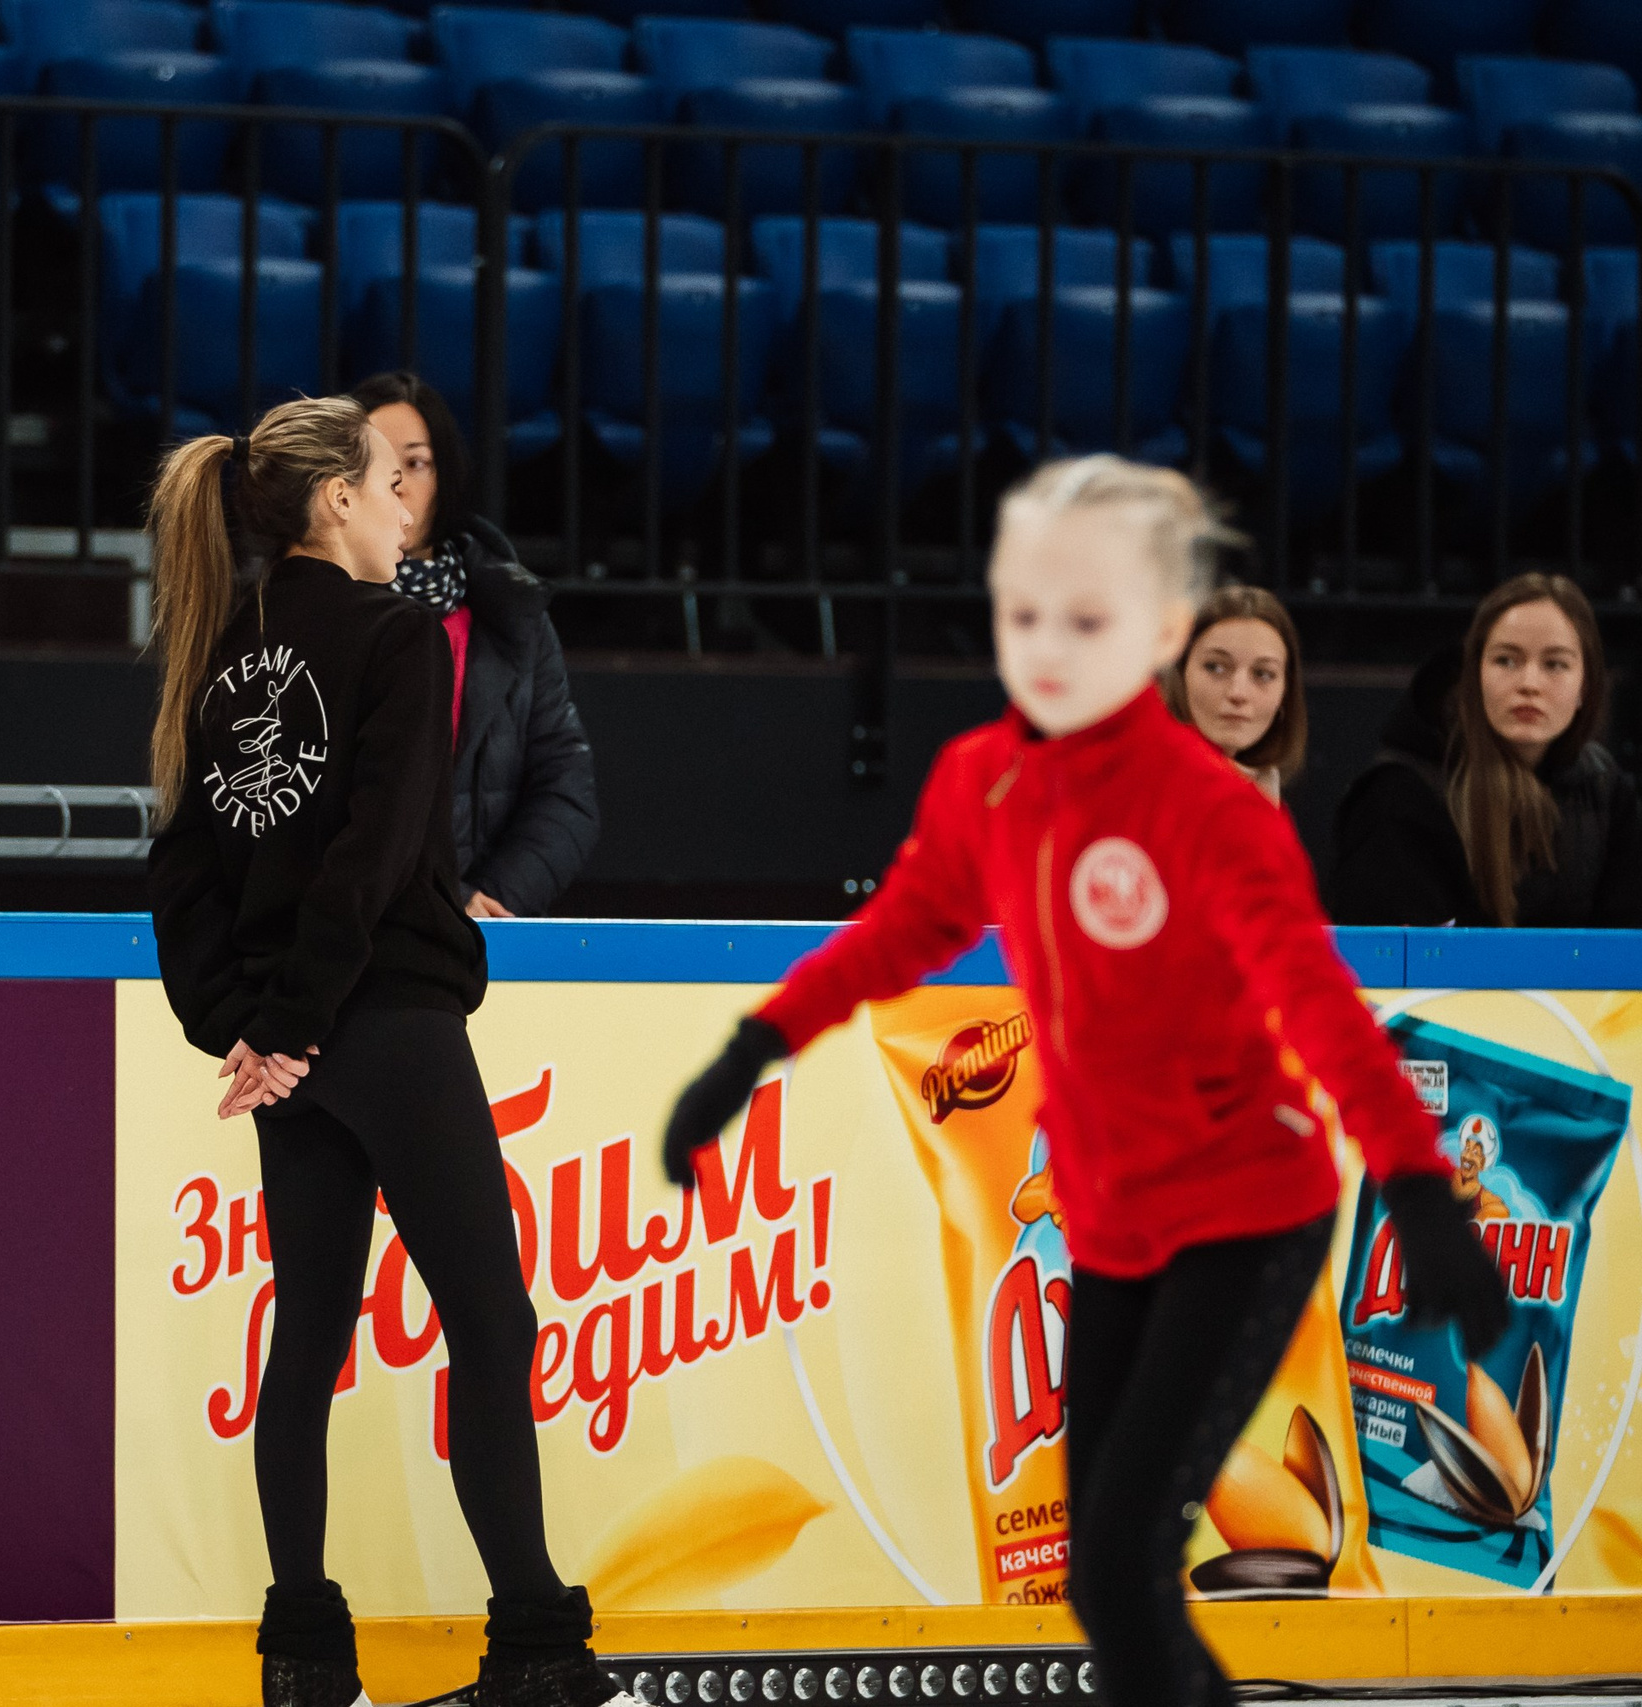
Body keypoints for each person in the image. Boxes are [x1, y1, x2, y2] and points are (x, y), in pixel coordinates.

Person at [658, 456, 1506, 1707]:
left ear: (1158, 631)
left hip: (1244, 1218)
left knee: (1114, 1562)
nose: (1048, 644)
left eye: (1088, 617)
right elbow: (899, 933)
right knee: (1106, 1577)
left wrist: (1419, 1188)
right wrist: (754, 1047)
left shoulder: (1208, 811)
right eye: (1025, 612)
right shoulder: (983, 781)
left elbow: (1318, 1007)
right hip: (1113, 1228)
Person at [144, 397, 630, 1707]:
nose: (404, 501)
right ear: (334, 502)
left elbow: (182, 869)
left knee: (307, 1332)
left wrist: (243, 1028)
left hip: (292, 1038)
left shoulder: (221, 647)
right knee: (491, 1316)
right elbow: (377, 842)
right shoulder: (400, 636)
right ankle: (534, 1645)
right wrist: (291, 1025)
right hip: (388, 1018)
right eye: (383, 477)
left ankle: (303, 1653)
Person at [353, 371, 599, 918]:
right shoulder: (315, 614)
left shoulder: (512, 613)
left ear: (446, 476)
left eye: (415, 463)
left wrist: (492, 898)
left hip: (479, 935)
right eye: (375, 463)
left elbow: (566, 789)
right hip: (353, 926)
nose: (396, 483)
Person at [1326, 572, 1642, 928]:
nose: (1529, 684)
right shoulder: (1399, 794)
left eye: (1555, 664)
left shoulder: (1605, 787)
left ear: (1585, 687)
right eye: (1507, 660)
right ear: (1474, 675)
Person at [1162, 584, 1305, 804]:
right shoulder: (1141, 783)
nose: (1238, 693)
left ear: (1285, 692)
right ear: (1180, 674)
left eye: (1263, 674)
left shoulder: (1262, 786)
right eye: (1216, 668)